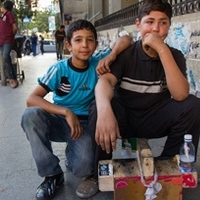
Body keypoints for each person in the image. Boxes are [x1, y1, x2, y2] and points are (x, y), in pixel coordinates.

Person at [21, 19, 132, 200]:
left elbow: (127, 38)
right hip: (59, 120)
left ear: (96, 44)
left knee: (83, 169)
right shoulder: (58, 69)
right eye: (78, 40)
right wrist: (66, 112)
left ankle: (72, 154)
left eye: (90, 40)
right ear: (68, 45)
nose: (84, 45)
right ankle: (52, 175)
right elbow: (31, 99)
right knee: (30, 115)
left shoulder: (99, 64)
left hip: (85, 125)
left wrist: (112, 55)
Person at [90, 0, 200, 171]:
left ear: (169, 26)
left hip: (155, 119)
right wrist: (105, 110)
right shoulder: (126, 54)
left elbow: (180, 95)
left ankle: (171, 164)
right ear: (138, 24)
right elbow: (105, 81)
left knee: (194, 106)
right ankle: (97, 172)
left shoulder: (175, 55)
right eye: (149, 22)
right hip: (124, 119)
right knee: (97, 107)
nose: (156, 29)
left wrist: (162, 50)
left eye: (163, 23)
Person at [0, 0, 18, 88]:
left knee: (5, 56)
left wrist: (11, 36)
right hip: (2, 41)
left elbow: (15, 27)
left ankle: (12, 78)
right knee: (5, 59)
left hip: (7, 40)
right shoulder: (3, 16)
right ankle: (12, 77)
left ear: (4, 7)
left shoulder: (9, 14)